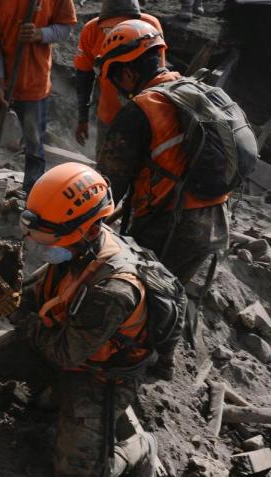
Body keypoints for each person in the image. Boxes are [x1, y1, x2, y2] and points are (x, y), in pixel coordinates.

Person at [0, 162, 180, 477]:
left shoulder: (112, 291)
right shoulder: (77, 247)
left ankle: (138, 444)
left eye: (50, 237)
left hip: (101, 372)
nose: (40, 244)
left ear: (89, 229)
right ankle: (54, 394)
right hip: (67, 343)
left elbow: (65, 354)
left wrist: (15, 313)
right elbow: (39, 299)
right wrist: (9, 290)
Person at [94, 18, 230, 287]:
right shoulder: (192, 91)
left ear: (128, 74)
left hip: (171, 226)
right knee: (168, 298)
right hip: (214, 222)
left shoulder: (140, 110)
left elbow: (107, 187)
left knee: (138, 299)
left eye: (116, 78)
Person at [0, 0, 77, 209]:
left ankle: (31, 201)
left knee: (34, 148)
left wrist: (41, 34)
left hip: (34, 83)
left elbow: (65, 29)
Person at [72, 0, 161, 159]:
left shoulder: (150, 28)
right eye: (110, 28)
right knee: (106, 168)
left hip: (147, 118)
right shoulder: (92, 31)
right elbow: (84, 78)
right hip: (109, 117)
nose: (115, 31)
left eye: (123, 25)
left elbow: (157, 78)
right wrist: (82, 118)